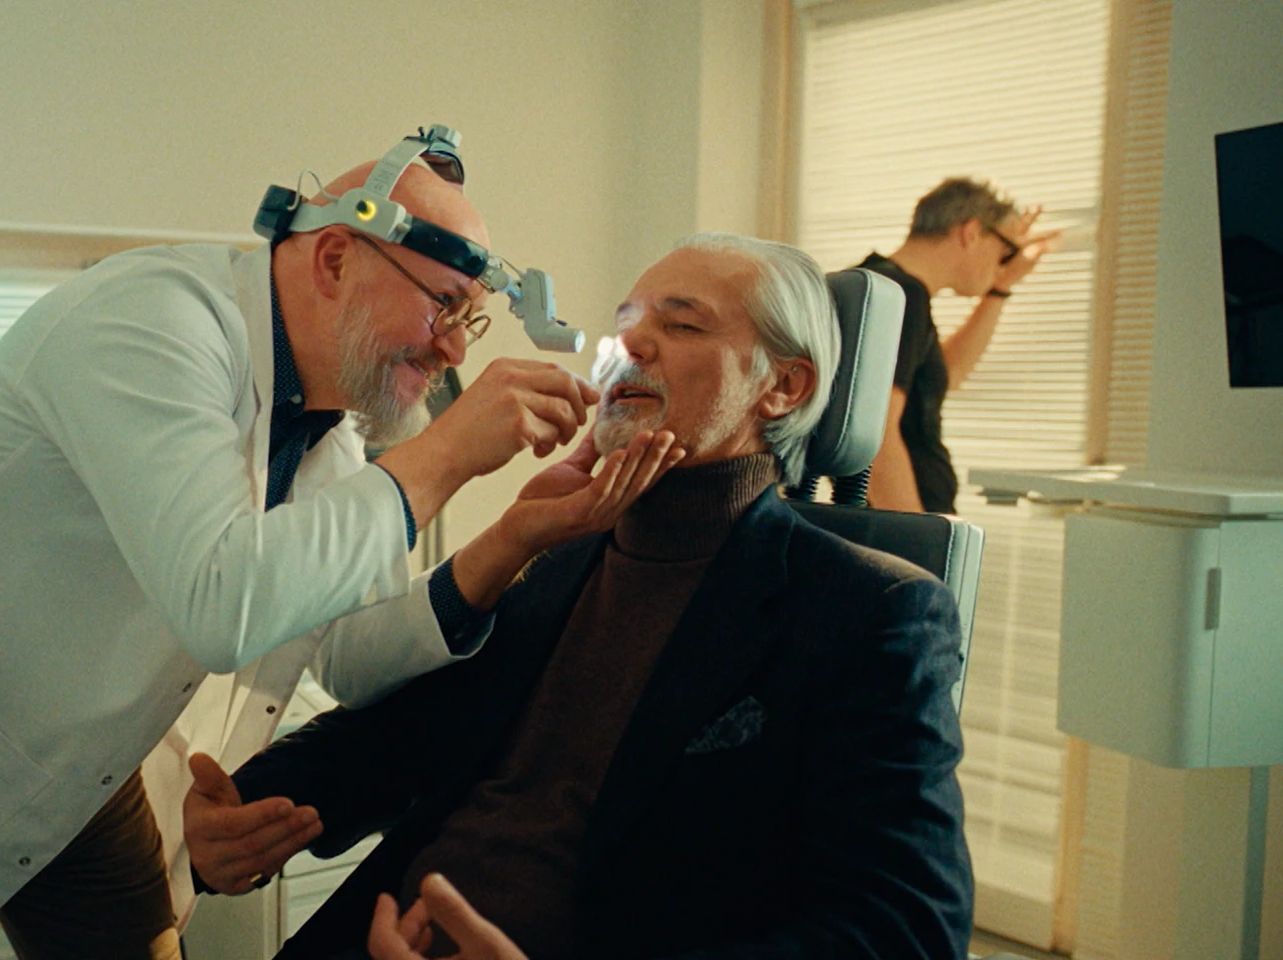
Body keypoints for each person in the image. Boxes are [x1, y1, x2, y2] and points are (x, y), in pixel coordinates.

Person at [0, 149, 680, 960]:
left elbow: (345, 654)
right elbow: (222, 602)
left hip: (83, 762)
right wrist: (445, 457)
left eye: (469, 321)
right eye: (444, 308)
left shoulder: (323, 426)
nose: (449, 351)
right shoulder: (154, 322)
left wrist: (515, 533)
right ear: (336, 256)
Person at [186, 233, 974, 960]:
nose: (627, 343)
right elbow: (409, 729)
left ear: (783, 385)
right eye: (627, 321)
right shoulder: (561, 552)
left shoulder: (870, 613)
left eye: (682, 325)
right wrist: (253, 809)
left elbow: (906, 928)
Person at [857, 177, 1059, 513]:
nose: (1003, 263)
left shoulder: (879, 284)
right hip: (904, 525)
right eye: (1006, 251)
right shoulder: (900, 296)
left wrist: (1000, 288)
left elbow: (944, 375)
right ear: (971, 232)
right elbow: (874, 433)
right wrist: (918, 537)